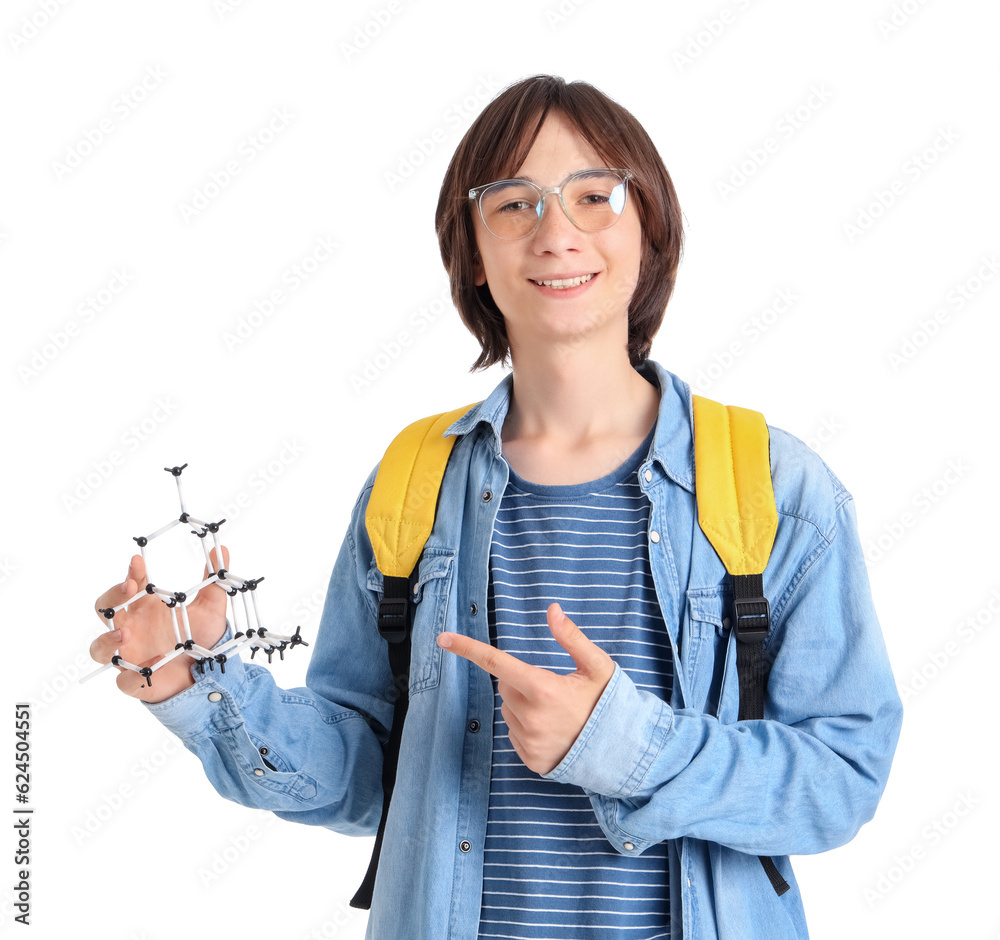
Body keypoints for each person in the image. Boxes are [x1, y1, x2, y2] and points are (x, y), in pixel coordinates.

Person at [91, 74, 903, 939]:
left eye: (595, 196)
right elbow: (371, 776)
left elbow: (841, 777)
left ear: (649, 229)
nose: (557, 233)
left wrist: (622, 744)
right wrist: (202, 688)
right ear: (474, 253)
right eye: (513, 203)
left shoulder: (775, 488)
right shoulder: (414, 482)